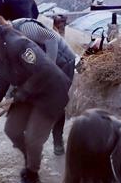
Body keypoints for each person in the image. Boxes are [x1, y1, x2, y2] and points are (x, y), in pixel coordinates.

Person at [0, 16, 70, 183]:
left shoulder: (18, 44)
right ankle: (30, 156)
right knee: (12, 129)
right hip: (27, 93)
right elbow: (1, 79)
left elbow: (45, 70)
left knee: (33, 136)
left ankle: (31, 173)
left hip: (51, 92)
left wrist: (23, 92)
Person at [5, 16, 76, 155]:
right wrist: (9, 94)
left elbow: (51, 39)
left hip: (62, 62)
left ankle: (57, 141)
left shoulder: (24, 27)